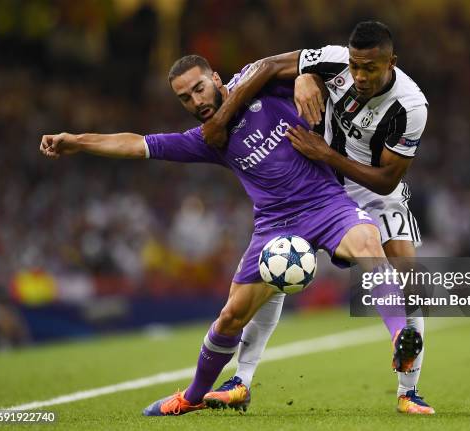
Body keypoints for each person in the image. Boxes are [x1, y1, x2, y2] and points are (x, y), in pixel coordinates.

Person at [39, 53, 421, 416]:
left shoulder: (263, 87)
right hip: (274, 226)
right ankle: (191, 397)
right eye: (185, 97)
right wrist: (77, 141)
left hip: (328, 204)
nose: (195, 100)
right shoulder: (208, 140)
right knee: (229, 317)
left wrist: (306, 77)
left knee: (369, 246)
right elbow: (136, 143)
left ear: (216, 79)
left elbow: (309, 68)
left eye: (199, 88)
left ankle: (399, 339)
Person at [202, 21, 433, 415]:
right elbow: (269, 65)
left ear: (391, 63)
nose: (359, 76)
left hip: (373, 190)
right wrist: (300, 79)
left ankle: (407, 392)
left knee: (410, 279)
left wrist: (326, 154)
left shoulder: (410, 106)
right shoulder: (335, 61)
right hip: (317, 184)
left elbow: (385, 180)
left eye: (370, 69)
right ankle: (240, 381)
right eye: (355, 66)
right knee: (276, 269)